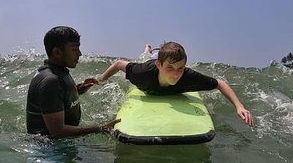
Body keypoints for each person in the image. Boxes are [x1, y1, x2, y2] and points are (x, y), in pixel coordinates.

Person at [96, 41, 254, 127]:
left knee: (164, 58)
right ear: (160, 66)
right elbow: (118, 64)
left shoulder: (188, 76)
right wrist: (101, 79)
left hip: (161, 60)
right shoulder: (142, 74)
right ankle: (147, 49)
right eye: (170, 68)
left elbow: (220, 83)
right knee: (146, 57)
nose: (176, 74)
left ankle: (154, 51)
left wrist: (239, 106)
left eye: (180, 68)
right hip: (152, 62)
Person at [26, 26, 120, 137]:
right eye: (74, 49)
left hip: (59, 144)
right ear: (57, 52)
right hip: (50, 149)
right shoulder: (50, 81)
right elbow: (57, 131)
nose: (79, 54)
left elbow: (60, 96)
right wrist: (100, 128)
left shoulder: (59, 72)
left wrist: (79, 88)